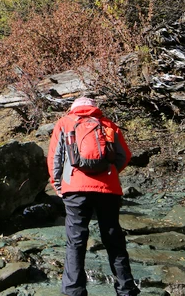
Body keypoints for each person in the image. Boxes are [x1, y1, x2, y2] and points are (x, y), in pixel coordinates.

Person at [47, 97, 140, 296]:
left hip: (74, 188)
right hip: (108, 189)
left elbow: (56, 157)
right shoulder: (108, 124)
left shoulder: (65, 123)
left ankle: (74, 290)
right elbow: (124, 156)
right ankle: (126, 289)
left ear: (73, 109)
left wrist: (58, 185)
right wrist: (111, 174)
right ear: (93, 108)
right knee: (113, 238)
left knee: (76, 240)